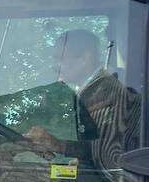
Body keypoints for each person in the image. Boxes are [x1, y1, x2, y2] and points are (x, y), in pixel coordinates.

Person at [21, 28, 139, 172]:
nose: (54, 66)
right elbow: (92, 147)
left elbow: (109, 157)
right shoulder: (91, 91)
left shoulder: (108, 93)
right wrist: (78, 162)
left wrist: (58, 145)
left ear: (85, 58)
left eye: (60, 58)